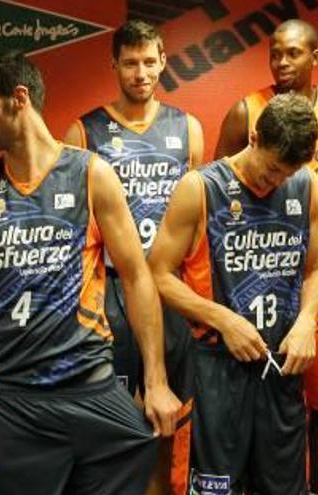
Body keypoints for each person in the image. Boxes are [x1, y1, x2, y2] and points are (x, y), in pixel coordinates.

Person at [0, 51, 180, 495]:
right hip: (9, 396)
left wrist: (155, 381)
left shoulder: (91, 174)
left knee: (142, 449)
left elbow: (136, 278)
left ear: (18, 98)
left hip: (90, 389)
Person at [148, 93, 318, 495]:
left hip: (281, 366)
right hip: (216, 367)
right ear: (253, 138)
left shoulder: (305, 184)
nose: (277, 181)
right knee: (214, 488)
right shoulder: (200, 189)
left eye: (288, 173)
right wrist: (224, 319)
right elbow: (156, 274)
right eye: (272, 169)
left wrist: (307, 321)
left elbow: (316, 270)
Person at [213, 20, 318, 493]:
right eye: (274, 54)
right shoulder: (245, 113)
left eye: (293, 53)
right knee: (266, 404)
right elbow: (217, 191)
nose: (281, 63)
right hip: (257, 279)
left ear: (315, 56)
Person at [64, 19, 204, 397]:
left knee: (170, 409)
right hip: (110, 288)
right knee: (116, 410)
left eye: (147, 61)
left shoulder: (188, 128)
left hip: (169, 285)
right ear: (115, 66)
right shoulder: (83, 132)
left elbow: (196, 218)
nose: (140, 73)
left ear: (162, 60)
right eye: (130, 63)